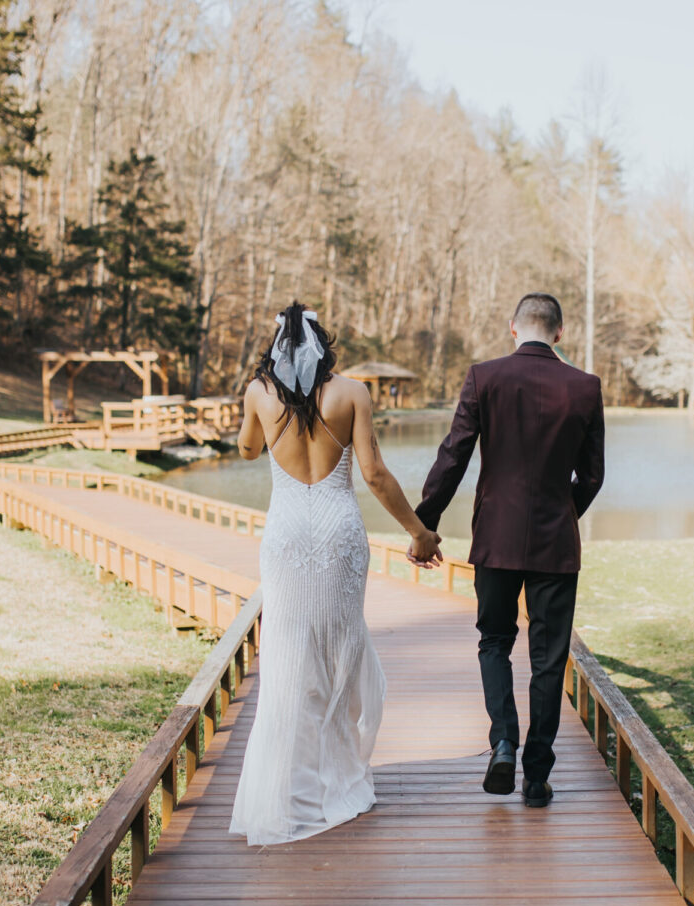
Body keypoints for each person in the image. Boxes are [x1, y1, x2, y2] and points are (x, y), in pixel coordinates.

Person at [228, 302, 442, 845]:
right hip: (338, 532)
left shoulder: (258, 393)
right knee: (340, 648)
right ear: (324, 346)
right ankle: (338, 777)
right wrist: (419, 532)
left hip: (286, 535)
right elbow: (373, 472)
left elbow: (248, 451)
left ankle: (288, 790)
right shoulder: (352, 393)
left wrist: (262, 420)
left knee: (288, 654)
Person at [415, 293, 605, 808]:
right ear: (560, 333)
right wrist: (563, 516)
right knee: (548, 660)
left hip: (495, 538)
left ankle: (503, 740)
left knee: (494, 641)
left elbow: (453, 456)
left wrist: (424, 524)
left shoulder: (485, 377)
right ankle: (537, 775)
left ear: (513, 328)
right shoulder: (585, 388)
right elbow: (592, 476)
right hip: (555, 544)